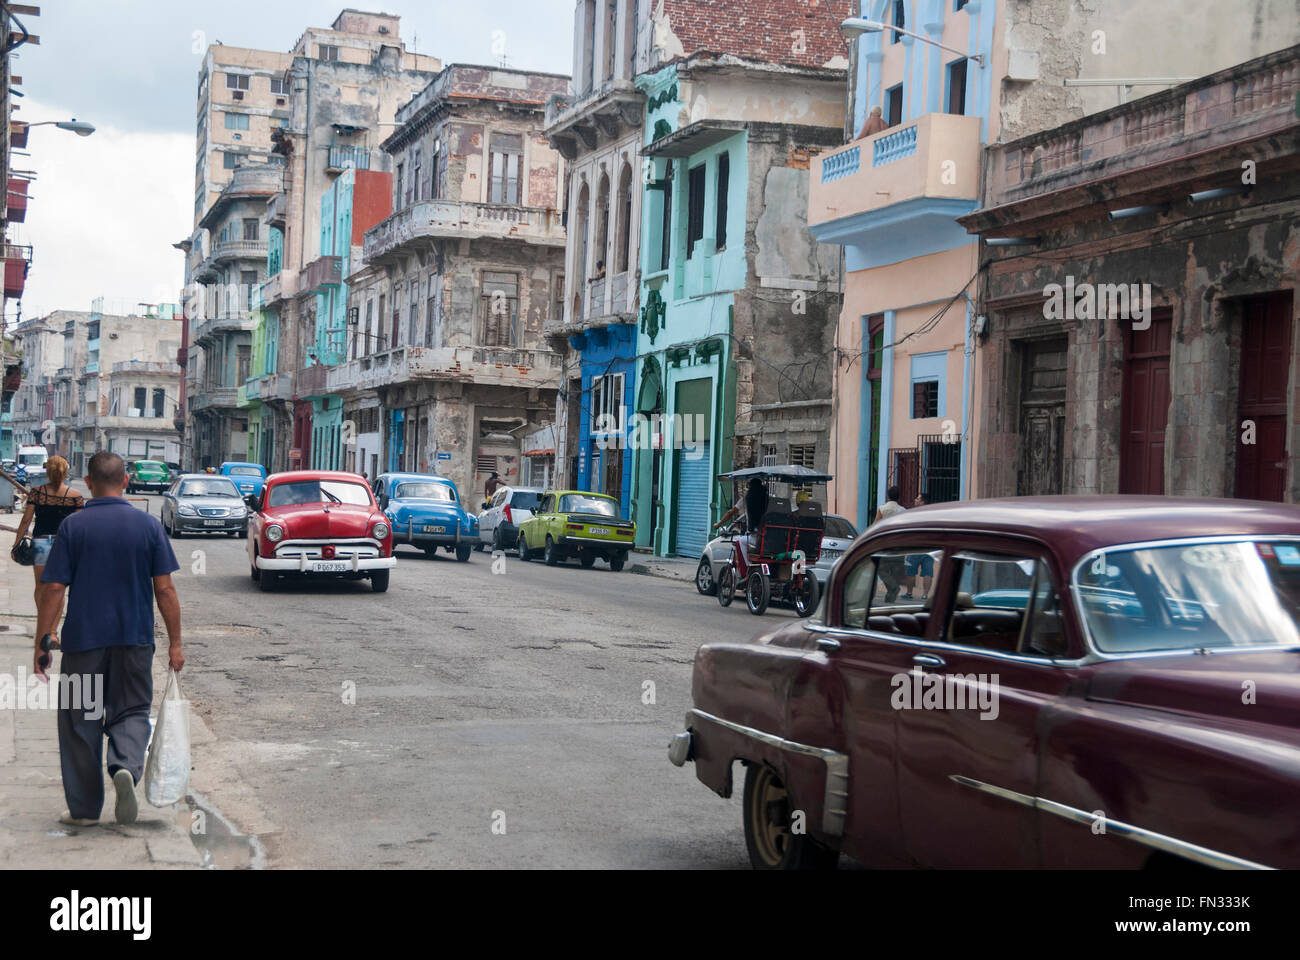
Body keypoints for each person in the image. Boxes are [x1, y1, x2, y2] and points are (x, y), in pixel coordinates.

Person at [33, 450, 184, 828]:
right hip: (134, 639)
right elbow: (165, 590)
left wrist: (43, 641)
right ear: (126, 482)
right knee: (131, 710)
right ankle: (125, 768)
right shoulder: (148, 526)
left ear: (88, 483)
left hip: (84, 641)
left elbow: (53, 588)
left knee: (79, 720)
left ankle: (84, 810)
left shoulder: (74, 527)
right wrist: (176, 644)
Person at [10, 455, 83, 645]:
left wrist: (16, 544)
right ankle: (52, 633)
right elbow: (79, 527)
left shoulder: (37, 492)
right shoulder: (75, 496)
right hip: (63, 546)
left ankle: (42, 628)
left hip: (41, 543)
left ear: (47, 472)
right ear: (66, 472)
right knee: (58, 589)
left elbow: (26, 521)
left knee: (41, 587)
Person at [714, 478, 769, 567]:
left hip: (757, 537)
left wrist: (718, 524)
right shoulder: (768, 499)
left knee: (740, 542)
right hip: (770, 538)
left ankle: (748, 567)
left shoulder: (747, 499)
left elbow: (730, 513)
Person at [873, 486, 906, 602]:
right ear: (899, 497)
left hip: (884, 544)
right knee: (896, 571)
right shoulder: (903, 510)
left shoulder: (882, 509)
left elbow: (876, 526)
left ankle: (892, 589)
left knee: (881, 570)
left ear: (888, 496)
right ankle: (891, 596)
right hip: (899, 544)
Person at [903, 494, 933, 601]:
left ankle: (909, 593)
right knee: (928, 572)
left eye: (918, 499)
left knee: (910, 571)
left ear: (922, 502)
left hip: (915, 546)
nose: (915, 500)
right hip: (929, 547)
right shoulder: (932, 514)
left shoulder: (914, 513)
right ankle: (925, 595)